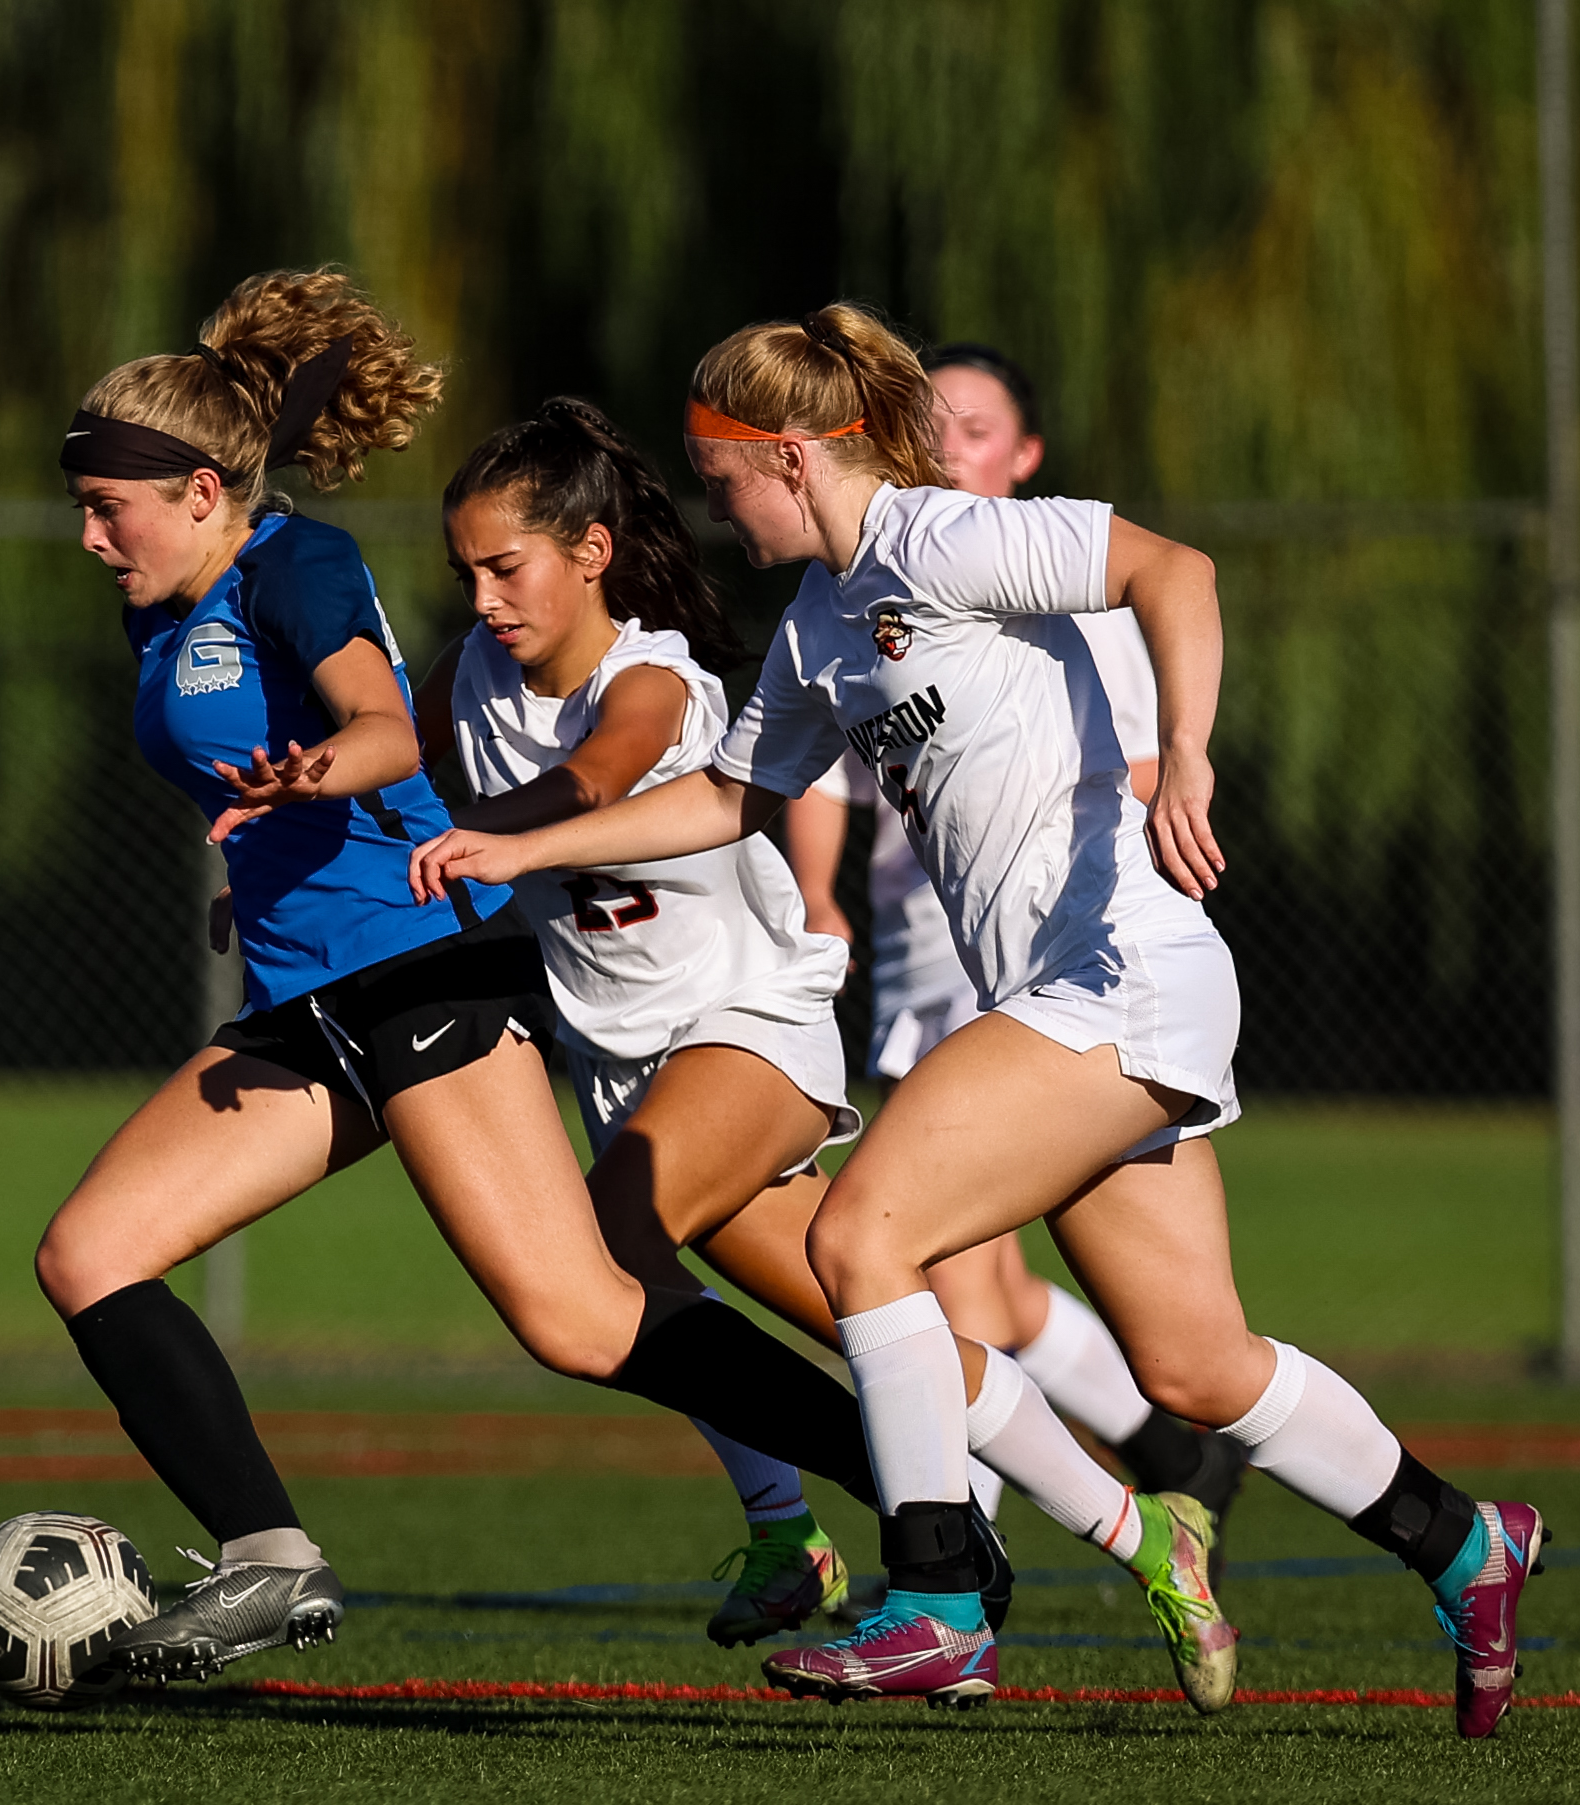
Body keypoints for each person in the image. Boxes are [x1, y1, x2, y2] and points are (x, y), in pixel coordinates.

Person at [408, 303, 1544, 1736]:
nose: (711, 502)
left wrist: (1185, 756)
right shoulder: (822, 620)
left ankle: (938, 1597)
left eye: (722, 473)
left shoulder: (940, 537)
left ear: (795, 455)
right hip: (1062, 1000)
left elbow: (1169, 568)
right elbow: (731, 801)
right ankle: (1463, 1540)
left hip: (1118, 965)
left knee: (858, 1233)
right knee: (1194, 1365)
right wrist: (515, 850)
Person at [37, 268, 930, 1685]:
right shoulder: (163, 602)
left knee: (578, 1316)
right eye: (83, 507)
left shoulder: (296, 564)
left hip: (428, 970)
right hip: (306, 990)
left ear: (205, 493)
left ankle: (924, 1520)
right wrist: (256, 872)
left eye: (110, 508)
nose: (90, 536)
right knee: (88, 1255)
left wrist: (325, 768)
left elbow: (386, 729)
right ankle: (270, 1562)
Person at [402, 395, 1239, 1689]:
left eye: (503, 567)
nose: (483, 595)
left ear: (590, 553)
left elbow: (607, 773)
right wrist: (308, 802)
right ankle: (1146, 1533)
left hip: (746, 1035)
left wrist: (504, 836)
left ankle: (800, 1533)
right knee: (891, 1329)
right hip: (630, 1066)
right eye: (465, 572)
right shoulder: (465, 678)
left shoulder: (658, 679)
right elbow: (385, 753)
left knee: (604, 1249)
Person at [782, 343, 1248, 1548]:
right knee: (1009, 1296)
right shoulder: (852, 601)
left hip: (1085, 977)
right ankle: (1435, 1527)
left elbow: (1139, 727)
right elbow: (799, 770)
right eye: (929, 425)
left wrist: (1181, 766)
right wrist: (818, 895)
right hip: (951, 972)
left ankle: (952, 1570)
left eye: (975, 428)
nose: (946, 447)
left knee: (904, 1255)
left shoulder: (1037, 582)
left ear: (1025, 455)